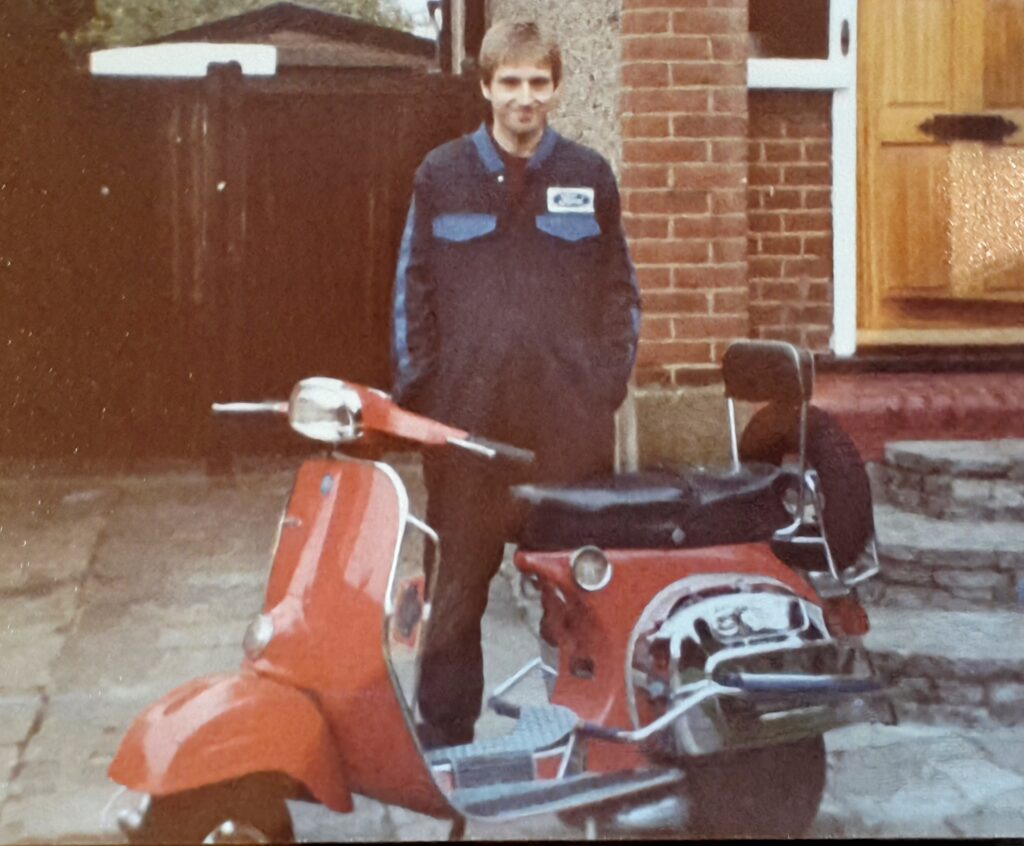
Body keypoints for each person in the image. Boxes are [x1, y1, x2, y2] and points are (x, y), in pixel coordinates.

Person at [391, 20, 640, 749]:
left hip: (566, 435)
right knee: (455, 599)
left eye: (538, 82)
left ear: (557, 88)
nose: (524, 98)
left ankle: (587, 735)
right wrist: (426, 399)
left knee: (580, 596)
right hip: (468, 433)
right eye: (510, 82)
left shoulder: (589, 177)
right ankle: (445, 741)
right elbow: (412, 293)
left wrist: (603, 385)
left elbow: (618, 293)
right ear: (485, 87)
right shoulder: (441, 175)